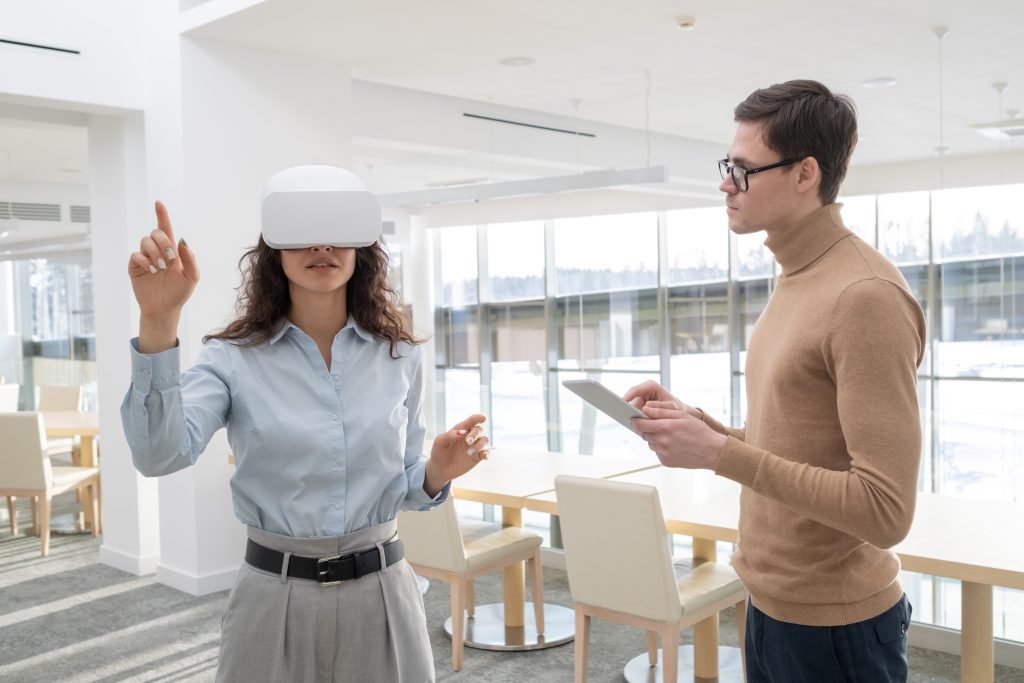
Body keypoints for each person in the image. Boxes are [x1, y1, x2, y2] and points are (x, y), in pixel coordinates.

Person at [625, 80, 926, 682]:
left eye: (742, 170)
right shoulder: (799, 277)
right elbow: (793, 443)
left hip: (834, 628)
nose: (724, 184)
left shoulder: (863, 296)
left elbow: (885, 510)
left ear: (804, 174)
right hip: (769, 604)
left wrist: (719, 454)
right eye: (726, 167)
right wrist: (702, 428)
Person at [121, 200, 489, 682]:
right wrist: (158, 319)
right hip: (272, 597)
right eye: (302, 235)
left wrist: (438, 472)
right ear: (274, 250)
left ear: (361, 248)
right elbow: (158, 455)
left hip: (383, 592)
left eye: (336, 233)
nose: (321, 246)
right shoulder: (232, 358)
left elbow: (404, 486)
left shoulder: (399, 356)